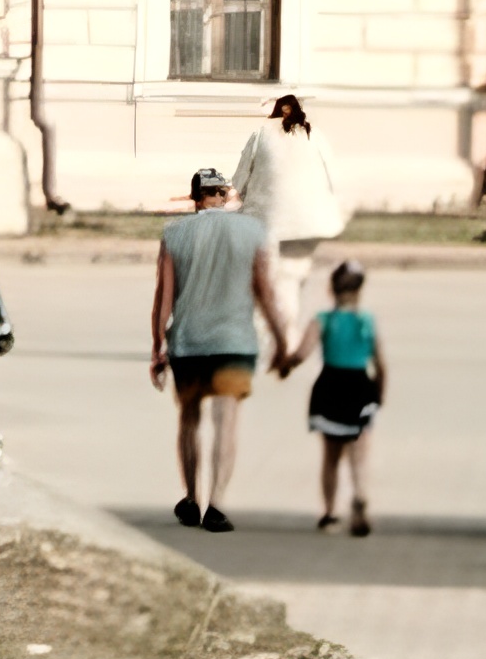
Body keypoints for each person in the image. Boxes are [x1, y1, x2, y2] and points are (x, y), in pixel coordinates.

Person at [150, 167, 286, 532]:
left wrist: (157, 347)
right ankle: (217, 504)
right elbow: (265, 292)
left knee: (190, 420)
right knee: (226, 423)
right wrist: (282, 340)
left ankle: (192, 499)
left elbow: (163, 298)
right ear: (224, 195)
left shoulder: (174, 234)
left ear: (195, 197)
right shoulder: (251, 231)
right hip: (234, 344)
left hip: (188, 344)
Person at [232, 92, 346, 352]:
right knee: (291, 281)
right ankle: (289, 336)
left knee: (262, 280)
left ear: (277, 110)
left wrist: (237, 194)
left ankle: (258, 336)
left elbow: (240, 176)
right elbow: (333, 174)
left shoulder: (262, 132)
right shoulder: (313, 134)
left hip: (266, 222)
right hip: (307, 224)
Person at [281, 259, 385, 536]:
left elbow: (302, 354)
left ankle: (329, 514)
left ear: (331, 290)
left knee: (331, 456)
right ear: (359, 292)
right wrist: (379, 395)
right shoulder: (366, 322)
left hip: (330, 386)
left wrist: (285, 364)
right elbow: (381, 364)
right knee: (359, 453)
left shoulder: (323, 320)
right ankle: (360, 494)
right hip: (360, 386)